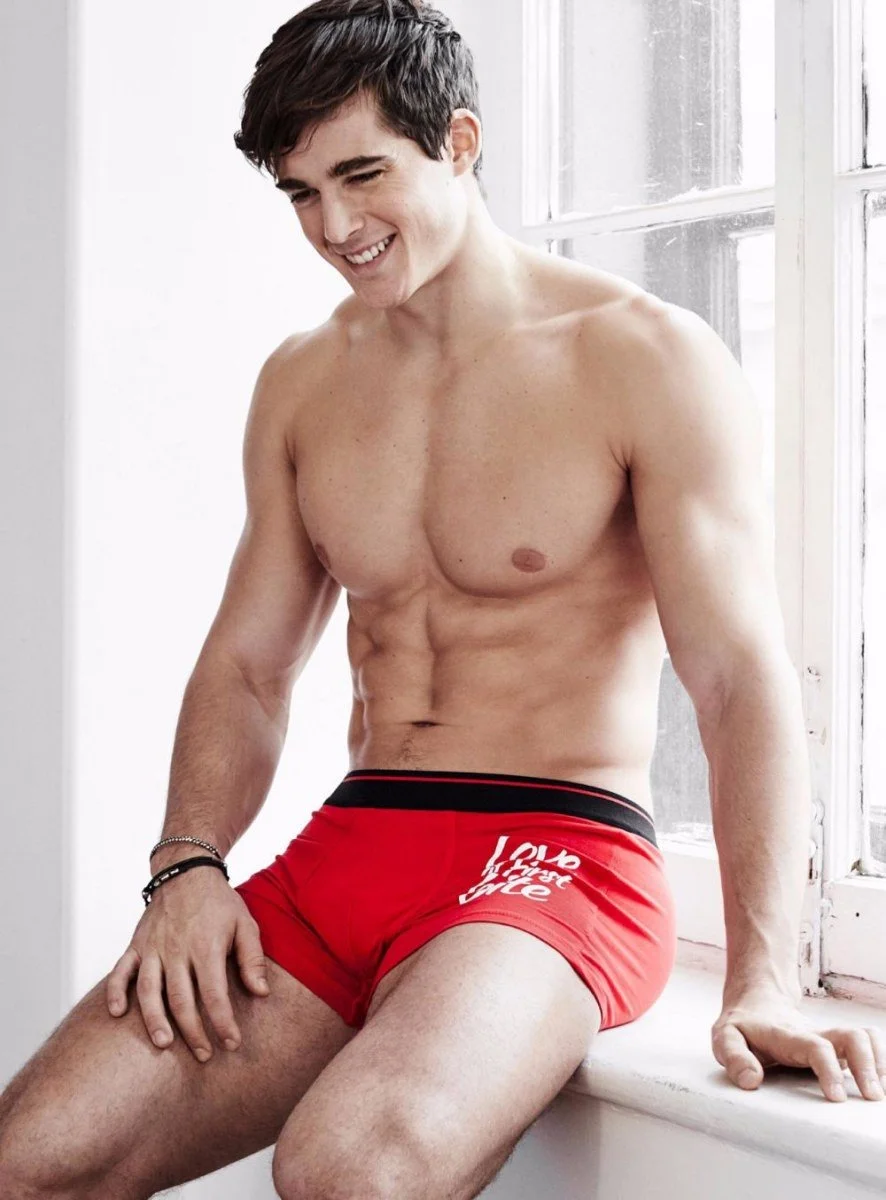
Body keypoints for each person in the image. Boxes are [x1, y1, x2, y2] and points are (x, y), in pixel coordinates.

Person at [3, 0, 885, 1196]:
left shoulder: (640, 356)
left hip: (556, 855)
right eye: (301, 192)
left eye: (362, 175)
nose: (334, 227)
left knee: (347, 1170)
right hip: (357, 843)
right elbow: (251, 667)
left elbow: (736, 678)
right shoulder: (303, 382)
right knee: (29, 1158)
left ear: (459, 141)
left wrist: (762, 978)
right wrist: (187, 868)